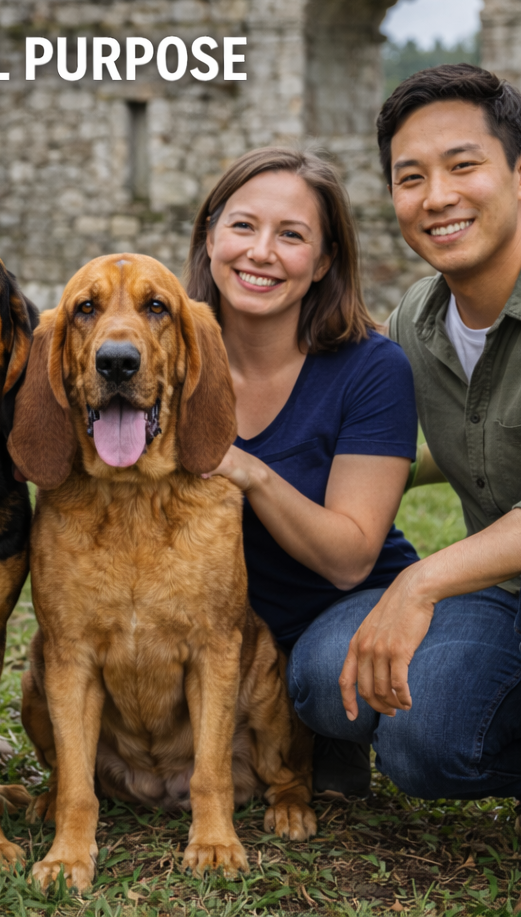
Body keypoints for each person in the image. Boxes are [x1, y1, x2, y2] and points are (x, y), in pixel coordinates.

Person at [289, 64, 521, 917]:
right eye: (411, 177)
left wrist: (424, 578)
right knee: (344, 684)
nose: (436, 196)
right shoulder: (417, 325)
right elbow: (418, 453)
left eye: (463, 165)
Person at [185, 146, 420, 800]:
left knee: (323, 673)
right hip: (229, 628)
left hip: (347, 605)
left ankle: (330, 733)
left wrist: (250, 472)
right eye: (242, 226)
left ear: (322, 263)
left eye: (291, 236)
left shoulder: (372, 368)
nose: (261, 252)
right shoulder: (166, 354)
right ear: (209, 237)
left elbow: (349, 559)